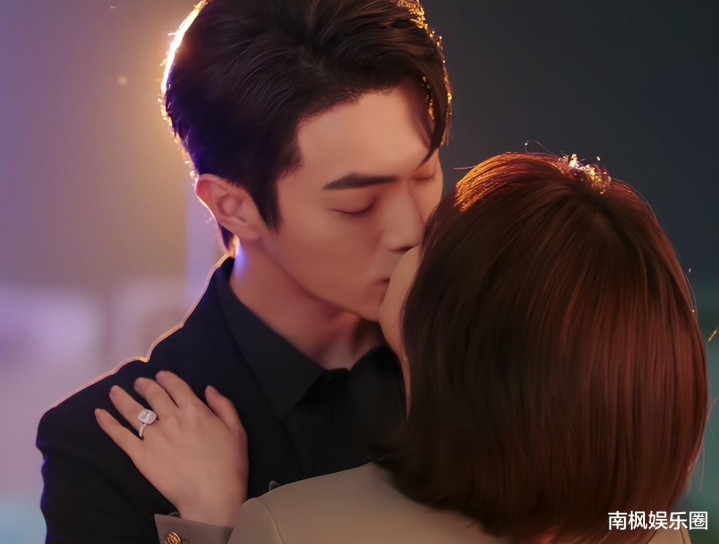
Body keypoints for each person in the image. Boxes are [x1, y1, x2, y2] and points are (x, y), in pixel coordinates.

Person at [99, 153, 707, 544]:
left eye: (431, 241)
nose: (405, 233)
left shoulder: (294, 528)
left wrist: (207, 522)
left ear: (448, 324)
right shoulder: (653, 529)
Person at [36, 0, 451, 542]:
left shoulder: (494, 362)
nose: (412, 228)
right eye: (358, 205)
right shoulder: (106, 447)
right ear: (233, 207)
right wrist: (206, 528)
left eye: (425, 175)